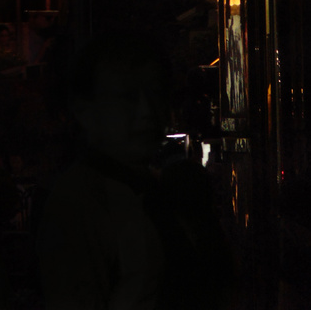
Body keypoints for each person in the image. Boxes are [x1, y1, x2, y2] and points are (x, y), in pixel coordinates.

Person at [37, 30, 239, 310]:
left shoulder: (157, 189)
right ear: (85, 109)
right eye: (127, 97)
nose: (146, 111)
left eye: (155, 94)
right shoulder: (81, 204)